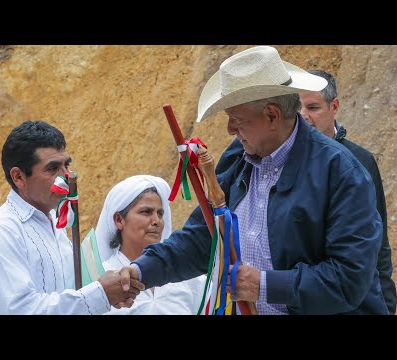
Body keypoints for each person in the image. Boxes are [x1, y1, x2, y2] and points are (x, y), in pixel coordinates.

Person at [120, 46, 387, 314]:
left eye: (236, 120)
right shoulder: (238, 157)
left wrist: (264, 284)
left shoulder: (341, 171)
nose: (229, 129)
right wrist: (141, 269)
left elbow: (350, 278)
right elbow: (203, 239)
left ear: (272, 115)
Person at [0, 120, 143, 315]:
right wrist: (101, 294)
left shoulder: (56, 224)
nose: (66, 176)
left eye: (66, 165)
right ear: (18, 177)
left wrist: (114, 289)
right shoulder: (0, 232)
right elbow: (21, 310)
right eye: (52, 168)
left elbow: (68, 291)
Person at [299, 70, 396, 315]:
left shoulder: (360, 161)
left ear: (335, 106)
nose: (303, 117)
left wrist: (387, 302)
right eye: (297, 108)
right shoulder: (283, 162)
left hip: (354, 304)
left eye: (313, 107)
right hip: (301, 299)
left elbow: (379, 241)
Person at [95, 175, 207, 315]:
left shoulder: (190, 278)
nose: (156, 221)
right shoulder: (100, 281)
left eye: (160, 214)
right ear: (119, 220)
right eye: (146, 212)